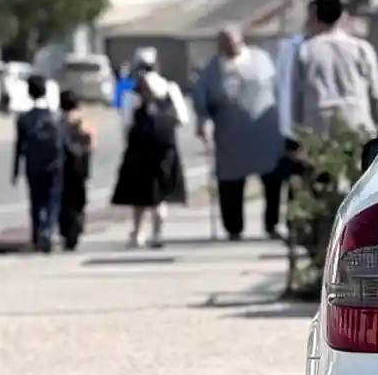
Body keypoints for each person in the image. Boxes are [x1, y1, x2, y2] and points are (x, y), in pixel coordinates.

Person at [192, 27, 285, 241]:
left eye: (234, 42)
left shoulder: (261, 59)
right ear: (219, 45)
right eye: (226, 44)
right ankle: (234, 227)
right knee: (230, 183)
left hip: (265, 132)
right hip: (230, 135)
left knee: (273, 181)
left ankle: (272, 224)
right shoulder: (211, 71)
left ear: (241, 40)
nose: (231, 47)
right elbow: (202, 104)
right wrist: (204, 124)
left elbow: (280, 88)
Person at [111, 46, 190, 249]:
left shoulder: (131, 94)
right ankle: (158, 233)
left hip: (139, 150)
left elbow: (126, 123)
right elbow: (183, 118)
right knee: (160, 194)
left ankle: (137, 234)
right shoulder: (170, 89)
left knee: (139, 196)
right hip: (165, 150)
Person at [289, 0, 378, 141]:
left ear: (315, 17)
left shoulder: (305, 50)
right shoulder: (361, 48)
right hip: (356, 118)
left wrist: (298, 130)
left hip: (319, 122)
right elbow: (376, 92)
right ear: (340, 17)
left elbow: (297, 95)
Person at [11, 75, 64, 253]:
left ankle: (35, 235)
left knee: (35, 201)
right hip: (54, 166)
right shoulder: (54, 117)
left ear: (28, 92)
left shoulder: (24, 119)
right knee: (52, 200)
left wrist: (15, 171)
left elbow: (19, 146)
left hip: (32, 166)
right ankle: (48, 229)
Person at [57, 89, 95, 252]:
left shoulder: (57, 123)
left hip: (62, 167)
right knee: (78, 202)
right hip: (80, 168)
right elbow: (92, 145)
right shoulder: (84, 124)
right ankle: (75, 231)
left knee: (63, 201)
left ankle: (65, 233)